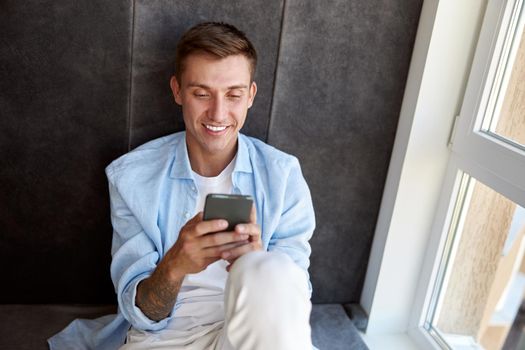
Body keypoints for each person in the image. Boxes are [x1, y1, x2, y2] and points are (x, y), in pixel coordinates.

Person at [49, 22, 316, 350]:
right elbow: (142, 314)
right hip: (162, 338)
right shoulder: (132, 177)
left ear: (250, 96)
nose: (218, 113)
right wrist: (176, 263)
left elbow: (295, 296)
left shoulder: (283, 175)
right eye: (201, 93)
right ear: (177, 91)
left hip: (252, 334)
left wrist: (257, 261)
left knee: (273, 270)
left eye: (233, 94)